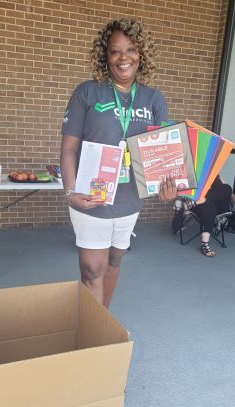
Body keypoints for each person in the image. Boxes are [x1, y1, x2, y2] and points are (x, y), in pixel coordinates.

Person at [60, 17, 176, 307]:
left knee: (113, 263)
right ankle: (92, 338)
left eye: (131, 49)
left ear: (141, 54)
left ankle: (101, 322)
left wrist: (166, 189)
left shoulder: (154, 99)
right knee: (91, 270)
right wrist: (71, 192)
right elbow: (69, 148)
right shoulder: (87, 92)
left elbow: (161, 156)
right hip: (90, 197)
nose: (123, 58)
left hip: (129, 201)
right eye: (115, 51)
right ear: (105, 56)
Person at [172, 175, 235, 257]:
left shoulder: (216, 173)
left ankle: (195, 202)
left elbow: (227, 191)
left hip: (218, 204)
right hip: (204, 206)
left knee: (227, 187)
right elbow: (182, 191)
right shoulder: (194, 173)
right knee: (210, 205)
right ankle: (204, 244)